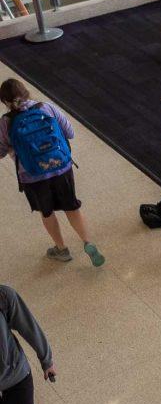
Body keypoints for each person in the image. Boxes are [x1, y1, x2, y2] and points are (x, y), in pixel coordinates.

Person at [0, 79, 103, 267]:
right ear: (26, 92)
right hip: (61, 167)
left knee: (46, 212)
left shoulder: (6, 123)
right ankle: (88, 242)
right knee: (72, 206)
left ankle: (61, 249)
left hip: (32, 175)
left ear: (4, 102)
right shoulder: (47, 108)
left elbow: (0, 151)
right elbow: (69, 132)